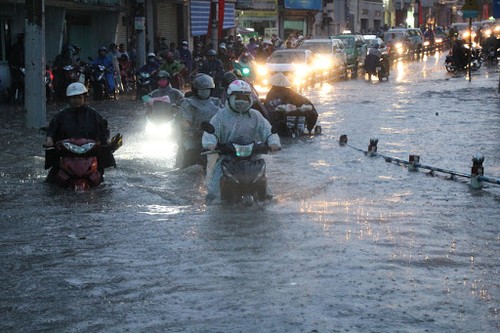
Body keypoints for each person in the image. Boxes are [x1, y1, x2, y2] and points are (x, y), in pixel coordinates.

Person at [202, 79, 281, 202]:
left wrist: (273, 143)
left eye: (245, 98)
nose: (241, 101)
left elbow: (268, 131)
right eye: (237, 97)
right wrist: (210, 144)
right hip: (227, 158)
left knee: (269, 196)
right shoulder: (220, 116)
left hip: (253, 158)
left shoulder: (256, 116)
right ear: (229, 98)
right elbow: (210, 133)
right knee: (213, 195)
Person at [44, 82, 114, 182]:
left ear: (84, 98)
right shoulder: (61, 115)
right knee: (52, 179)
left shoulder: (93, 114)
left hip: (89, 153)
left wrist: (107, 141)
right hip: (66, 153)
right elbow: (51, 131)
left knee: (100, 178)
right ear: (68, 99)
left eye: (78, 98)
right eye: (73, 98)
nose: (76, 101)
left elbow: (103, 131)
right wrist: (49, 141)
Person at [176, 73, 223, 170]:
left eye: (207, 89)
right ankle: (184, 168)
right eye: (202, 90)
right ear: (195, 90)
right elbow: (185, 122)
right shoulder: (188, 103)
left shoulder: (216, 102)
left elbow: (224, 117)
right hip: (194, 136)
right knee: (190, 150)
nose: (205, 92)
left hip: (213, 136)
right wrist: (193, 130)